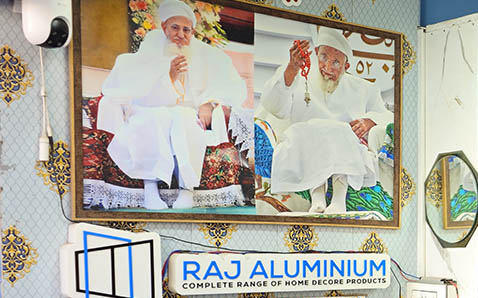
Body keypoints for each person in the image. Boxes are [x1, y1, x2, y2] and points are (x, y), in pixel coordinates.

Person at [97, 0, 247, 210]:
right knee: (157, 116)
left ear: (192, 32)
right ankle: (151, 188)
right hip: (149, 111)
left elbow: (232, 85)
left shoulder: (204, 54)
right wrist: (168, 75)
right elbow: (136, 94)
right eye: (175, 28)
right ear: (164, 27)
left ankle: (187, 189)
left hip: (185, 113)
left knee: (183, 117)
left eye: (186, 30)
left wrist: (209, 102)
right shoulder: (148, 52)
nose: (180, 34)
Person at [260, 26, 392, 214]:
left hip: (344, 146)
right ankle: (318, 197)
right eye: (323, 58)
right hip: (303, 144)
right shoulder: (297, 73)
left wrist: (370, 121)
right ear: (315, 53)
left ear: (347, 67)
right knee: (318, 128)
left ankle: (339, 200)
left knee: (341, 130)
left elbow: (387, 117)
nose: (328, 68)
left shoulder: (363, 89)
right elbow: (273, 106)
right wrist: (291, 69)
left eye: (336, 62)